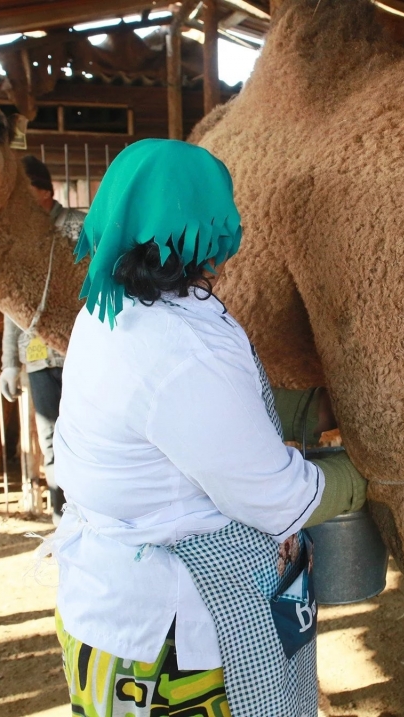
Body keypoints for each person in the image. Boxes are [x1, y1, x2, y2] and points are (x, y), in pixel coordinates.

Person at [45, 139, 367, 717]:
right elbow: (277, 498)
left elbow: (200, 419)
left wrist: (301, 406)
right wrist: (368, 470)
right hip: (169, 642)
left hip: (105, 615)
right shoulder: (178, 350)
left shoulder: (109, 312)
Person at [0, 156, 85, 521]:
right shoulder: (19, 237)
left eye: (27, 193)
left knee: (88, 436)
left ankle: (92, 512)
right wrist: (9, 363)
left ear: (47, 192)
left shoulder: (81, 228)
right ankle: (60, 515)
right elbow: (12, 304)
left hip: (82, 354)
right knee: (50, 440)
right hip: (38, 356)